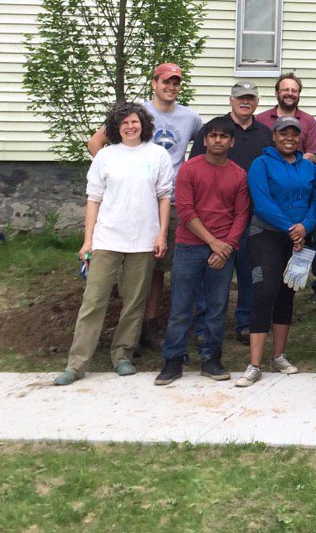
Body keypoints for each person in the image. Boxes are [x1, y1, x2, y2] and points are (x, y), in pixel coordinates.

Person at [55, 102, 173, 385]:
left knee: (134, 302)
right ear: (115, 128)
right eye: (124, 123)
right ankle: (77, 362)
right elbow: (93, 200)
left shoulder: (157, 155)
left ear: (143, 124)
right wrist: (88, 241)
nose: (131, 127)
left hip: (143, 240)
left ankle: (122, 355)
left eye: (135, 121)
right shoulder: (105, 157)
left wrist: (161, 234)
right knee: (94, 300)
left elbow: (164, 197)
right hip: (107, 238)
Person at [86, 63, 201, 352]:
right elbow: (94, 143)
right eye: (166, 82)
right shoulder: (136, 114)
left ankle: (148, 325)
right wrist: (122, 168)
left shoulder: (190, 118)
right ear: (154, 83)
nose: (171, 87)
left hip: (170, 201)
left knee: (158, 267)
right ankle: (130, 329)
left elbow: (201, 150)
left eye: (176, 83)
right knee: (134, 269)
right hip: (133, 202)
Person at [155, 116, 250, 385]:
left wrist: (227, 247)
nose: (217, 140)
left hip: (222, 252)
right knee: (181, 306)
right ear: (205, 140)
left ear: (231, 142)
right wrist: (213, 243)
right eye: (213, 136)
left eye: (223, 137)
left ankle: (211, 359)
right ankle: (173, 360)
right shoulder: (189, 169)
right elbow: (185, 211)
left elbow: (241, 214)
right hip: (189, 247)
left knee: (217, 307)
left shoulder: (238, 174)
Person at [236, 117, 316, 387]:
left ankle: (278, 356)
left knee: (287, 292)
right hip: (267, 235)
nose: (289, 138)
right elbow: (262, 202)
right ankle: (254, 363)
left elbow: (315, 203)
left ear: (300, 139)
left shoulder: (309, 168)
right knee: (264, 291)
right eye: (284, 133)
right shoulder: (261, 164)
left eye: (295, 134)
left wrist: (304, 227)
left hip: (297, 238)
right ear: (274, 136)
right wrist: (290, 228)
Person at [190, 81, 274, 344]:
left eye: (250, 98)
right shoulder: (215, 129)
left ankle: (245, 323)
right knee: (211, 270)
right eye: (240, 98)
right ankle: (204, 326)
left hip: (252, 214)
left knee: (250, 270)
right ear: (231, 100)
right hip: (215, 212)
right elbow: (195, 165)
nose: (245, 102)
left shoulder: (265, 133)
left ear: (257, 102)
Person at [255, 72, 316, 161]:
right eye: (286, 90)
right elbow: (255, 151)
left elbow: (312, 155)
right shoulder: (261, 119)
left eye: (294, 91)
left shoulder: (309, 121)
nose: (290, 93)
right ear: (277, 93)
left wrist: (290, 166)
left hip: (298, 173)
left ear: (299, 94)